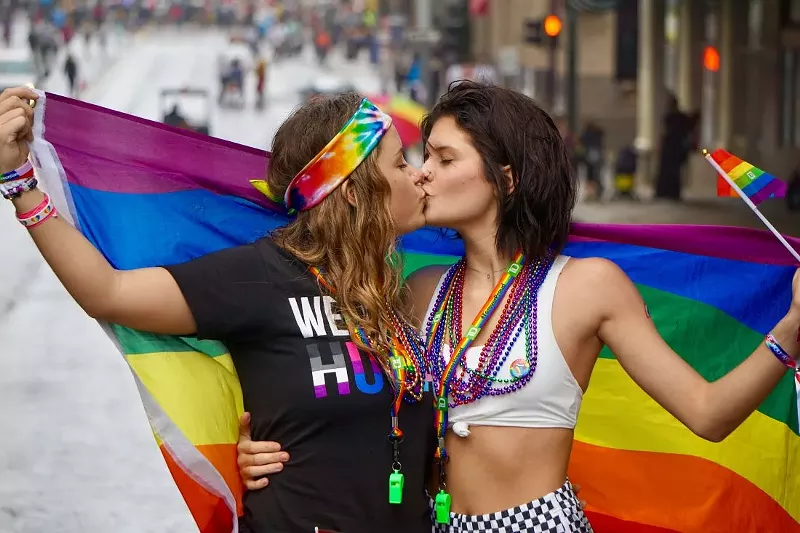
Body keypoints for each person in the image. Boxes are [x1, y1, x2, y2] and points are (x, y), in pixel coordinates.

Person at [236, 81, 800, 532]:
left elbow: (707, 412)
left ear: (504, 178)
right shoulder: (419, 290)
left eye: (443, 157)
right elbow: (346, 405)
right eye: (421, 157)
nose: (423, 172)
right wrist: (260, 451)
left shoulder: (587, 287)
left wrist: (792, 330)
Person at [0, 87, 432, 533]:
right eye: (401, 163)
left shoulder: (410, 288)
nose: (419, 175)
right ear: (354, 192)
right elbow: (108, 291)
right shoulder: (262, 276)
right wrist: (20, 182)